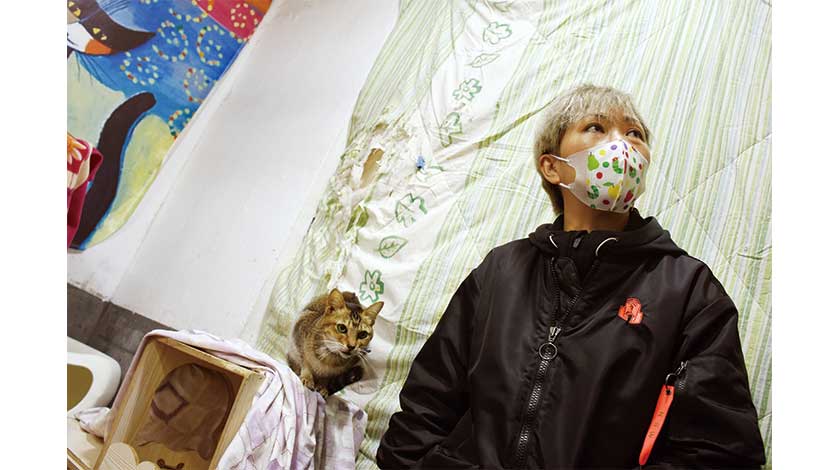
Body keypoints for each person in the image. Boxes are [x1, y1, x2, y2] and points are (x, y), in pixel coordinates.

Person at [375, 84, 766, 469]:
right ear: (552, 167)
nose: (622, 145)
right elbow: (423, 413)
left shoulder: (688, 289)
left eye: (635, 134)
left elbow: (719, 452)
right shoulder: (500, 271)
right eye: (596, 127)